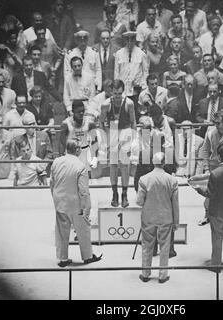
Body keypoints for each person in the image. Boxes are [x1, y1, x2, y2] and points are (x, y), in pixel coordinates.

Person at [50, 139, 103, 267]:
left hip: (59, 201)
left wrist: (55, 198)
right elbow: (84, 190)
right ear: (78, 150)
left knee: (61, 231)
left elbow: (52, 183)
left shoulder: (56, 162)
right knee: (83, 230)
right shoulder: (80, 166)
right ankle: (88, 256)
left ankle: (62, 259)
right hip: (75, 203)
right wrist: (87, 207)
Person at [192, 144, 223, 271]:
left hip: (217, 210)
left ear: (218, 157)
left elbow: (210, 194)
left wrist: (198, 189)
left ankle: (215, 265)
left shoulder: (215, 174)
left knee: (217, 236)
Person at [136, 152, 179, 283]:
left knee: (146, 245)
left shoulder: (144, 179)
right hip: (166, 217)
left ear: (153, 163)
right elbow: (175, 204)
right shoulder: (172, 180)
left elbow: (139, 202)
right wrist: (176, 222)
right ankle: (162, 275)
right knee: (165, 246)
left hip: (148, 217)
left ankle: (145, 273)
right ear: (164, 163)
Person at [99, 80, 137, 208]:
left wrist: (133, 140)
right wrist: (105, 138)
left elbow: (133, 123)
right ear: (111, 92)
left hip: (125, 132)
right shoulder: (105, 105)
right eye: (115, 93)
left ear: (123, 92)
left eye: (119, 93)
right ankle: (115, 193)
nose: (117, 96)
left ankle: (124, 194)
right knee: (113, 166)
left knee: (125, 166)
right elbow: (100, 122)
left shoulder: (129, 104)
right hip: (112, 132)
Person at [114, 31, 148, 106]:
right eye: (127, 40)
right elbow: (116, 72)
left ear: (135, 40)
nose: (129, 42)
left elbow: (145, 72)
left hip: (136, 88)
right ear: (124, 40)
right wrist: (116, 87)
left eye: (132, 40)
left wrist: (144, 88)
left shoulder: (141, 54)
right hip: (123, 88)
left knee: (135, 108)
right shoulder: (119, 53)